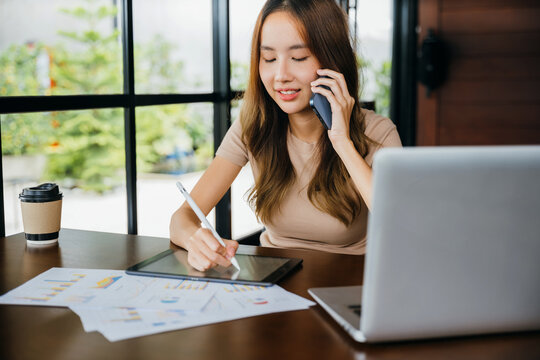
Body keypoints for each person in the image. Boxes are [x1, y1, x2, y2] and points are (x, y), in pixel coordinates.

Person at [170, 0, 402, 271]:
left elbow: (403, 226)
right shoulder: (253, 126)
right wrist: (195, 240)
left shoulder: (378, 133)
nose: (280, 75)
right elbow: (182, 218)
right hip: (275, 280)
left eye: (298, 58)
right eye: (268, 59)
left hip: (351, 281)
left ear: (332, 61)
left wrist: (342, 141)